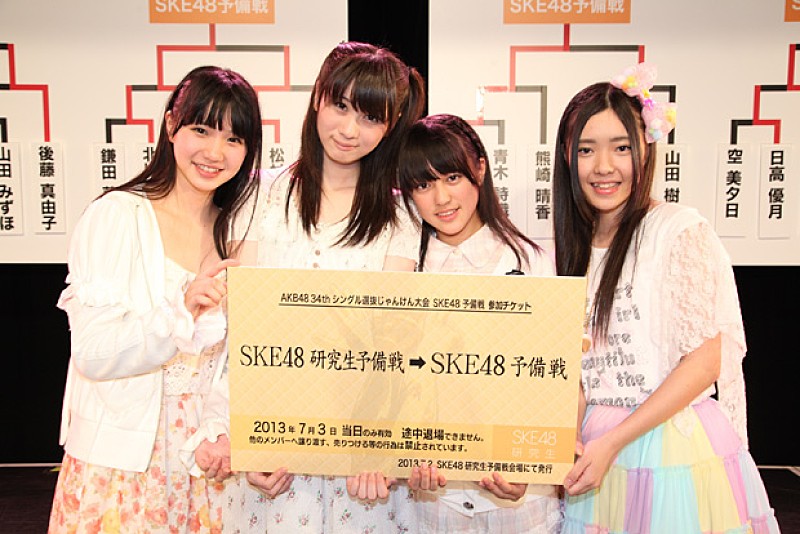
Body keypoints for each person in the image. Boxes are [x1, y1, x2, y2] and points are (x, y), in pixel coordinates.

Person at [552, 63, 780, 533]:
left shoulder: (677, 230)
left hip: (668, 443)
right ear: (568, 158)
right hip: (597, 448)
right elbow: (579, 367)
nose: (603, 166)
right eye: (587, 149)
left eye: (621, 148)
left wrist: (615, 440)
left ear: (645, 149)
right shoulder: (572, 248)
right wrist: (567, 440)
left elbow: (705, 361)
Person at [48, 65, 263, 533]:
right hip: (124, 470)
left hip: (207, 466)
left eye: (233, 139)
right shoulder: (117, 216)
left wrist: (222, 429)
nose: (215, 152)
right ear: (171, 126)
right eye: (201, 130)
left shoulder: (237, 231)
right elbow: (93, 352)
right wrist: (178, 313)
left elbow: (238, 361)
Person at [230, 41, 425, 532]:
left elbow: (393, 341)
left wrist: (377, 443)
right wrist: (249, 440)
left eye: (370, 118)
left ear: (390, 126)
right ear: (318, 96)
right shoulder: (260, 193)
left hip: (360, 454)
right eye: (340, 106)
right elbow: (239, 325)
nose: (349, 130)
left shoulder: (400, 215)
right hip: (274, 444)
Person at [394, 113, 563, 533]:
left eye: (452, 177)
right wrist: (401, 457)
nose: (441, 198)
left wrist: (530, 467)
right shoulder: (403, 270)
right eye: (423, 185)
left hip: (519, 504)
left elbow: (554, 378)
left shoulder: (530, 262)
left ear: (481, 169)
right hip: (435, 503)